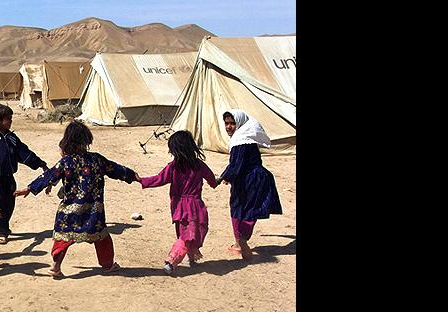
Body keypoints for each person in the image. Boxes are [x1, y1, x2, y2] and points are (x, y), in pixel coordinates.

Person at [14, 120, 138, 278]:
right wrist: (132, 175)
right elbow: (115, 169)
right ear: (86, 140)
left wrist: (30, 188)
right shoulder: (96, 159)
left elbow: (50, 175)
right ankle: (108, 265)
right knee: (101, 237)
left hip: (69, 210)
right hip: (94, 211)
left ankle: (55, 267)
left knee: (63, 238)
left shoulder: (66, 162)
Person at [138, 130, 218, 275]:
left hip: (180, 206)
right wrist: (216, 182)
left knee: (186, 234)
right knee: (191, 234)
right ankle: (172, 261)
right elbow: (212, 179)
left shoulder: (173, 167)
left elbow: (158, 179)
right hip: (195, 206)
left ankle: (190, 259)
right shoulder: (199, 165)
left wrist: (141, 180)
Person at [0, 104, 48, 245]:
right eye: (8, 119)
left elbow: (24, 153)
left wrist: (40, 163)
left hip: (9, 178)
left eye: (11, 118)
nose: (10, 121)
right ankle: (2, 232)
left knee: (9, 204)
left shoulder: (13, 138)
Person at [218, 109, 283, 260]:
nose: (229, 127)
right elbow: (236, 164)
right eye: (227, 123)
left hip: (251, 180)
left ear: (239, 123)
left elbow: (236, 165)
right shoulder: (245, 138)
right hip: (249, 179)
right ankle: (241, 241)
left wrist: (223, 178)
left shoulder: (240, 140)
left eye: (232, 123)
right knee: (244, 209)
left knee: (244, 209)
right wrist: (227, 176)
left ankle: (241, 241)